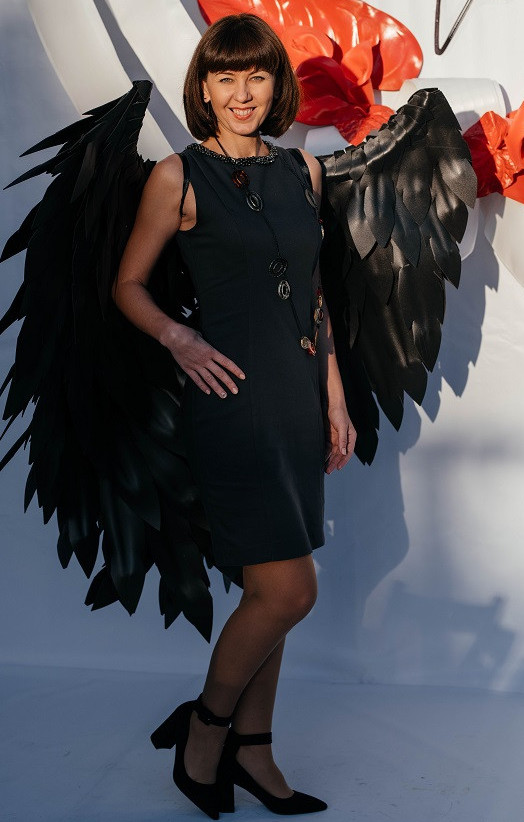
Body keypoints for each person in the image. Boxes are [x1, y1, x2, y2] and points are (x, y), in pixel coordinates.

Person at [112, 11, 356, 819]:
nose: (243, 92)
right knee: (290, 591)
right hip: (232, 404)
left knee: (267, 589)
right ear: (205, 88)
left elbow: (313, 295)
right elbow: (127, 285)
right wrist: (177, 337)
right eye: (226, 77)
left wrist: (334, 395)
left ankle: (254, 750)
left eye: (257, 75)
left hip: (296, 401)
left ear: (275, 84)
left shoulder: (304, 171)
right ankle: (206, 728)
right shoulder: (177, 177)